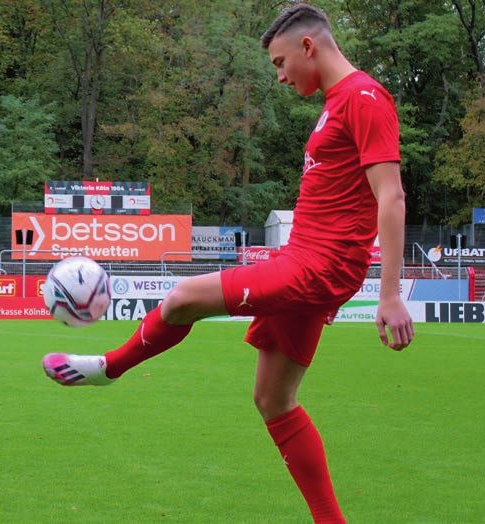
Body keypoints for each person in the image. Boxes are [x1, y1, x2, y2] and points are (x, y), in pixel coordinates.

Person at [42, 4, 414, 522]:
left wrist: (390, 293)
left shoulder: (364, 97)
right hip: (305, 259)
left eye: (280, 63)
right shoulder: (335, 103)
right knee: (273, 401)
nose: (280, 76)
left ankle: (109, 368)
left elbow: (391, 196)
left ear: (308, 46)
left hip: (318, 265)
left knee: (181, 299)